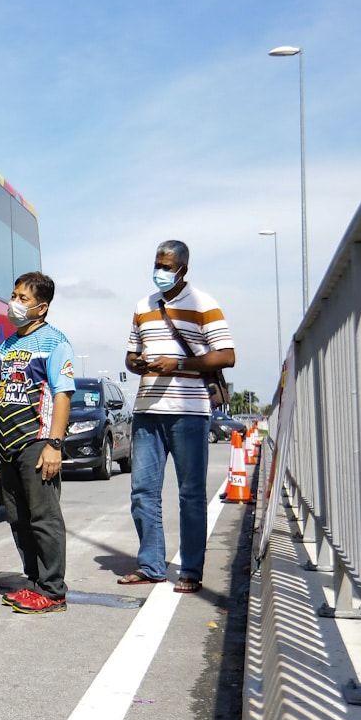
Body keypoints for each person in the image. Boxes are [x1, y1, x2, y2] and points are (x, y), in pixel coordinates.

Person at [118, 240, 235, 594]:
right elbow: (130, 355)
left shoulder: (204, 304)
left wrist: (179, 363)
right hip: (147, 410)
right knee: (143, 492)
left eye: (168, 266)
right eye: (157, 264)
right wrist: (138, 363)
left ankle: (190, 571)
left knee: (190, 494)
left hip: (189, 412)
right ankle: (151, 565)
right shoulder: (143, 306)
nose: (161, 272)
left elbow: (227, 355)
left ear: (183, 269)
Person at [0, 271, 75, 614]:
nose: (15, 303)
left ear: (42, 307)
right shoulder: (7, 346)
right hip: (6, 444)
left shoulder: (54, 341)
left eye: (23, 298)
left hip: (37, 442)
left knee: (44, 518)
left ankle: (53, 591)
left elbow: (62, 396)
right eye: (14, 295)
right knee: (18, 518)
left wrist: (55, 443)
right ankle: (34, 582)